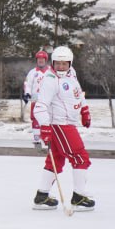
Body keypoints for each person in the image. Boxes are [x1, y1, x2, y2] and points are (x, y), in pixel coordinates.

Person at [31, 45, 94, 211]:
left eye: (64, 63)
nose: (60, 67)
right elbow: (40, 107)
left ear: (70, 63)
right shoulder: (50, 80)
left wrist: (84, 110)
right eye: (57, 63)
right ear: (52, 62)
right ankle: (79, 197)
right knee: (80, 157)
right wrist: (45, 127)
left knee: (56, 159)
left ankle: (42, 196)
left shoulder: (71, 75)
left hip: (68, 123)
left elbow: (78, 94)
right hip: (60, 125)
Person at [22, 49, 50, 148]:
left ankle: (48, 137)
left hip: (48, 98)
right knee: (35, 118)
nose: (40, 60)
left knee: (48, 118)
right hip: (35, 97)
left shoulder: (51, 72)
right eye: (39, 59)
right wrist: (27, 93)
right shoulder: (32, 72)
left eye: (42, 59)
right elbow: (27, 84)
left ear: (46, 60)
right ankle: (37, 138)